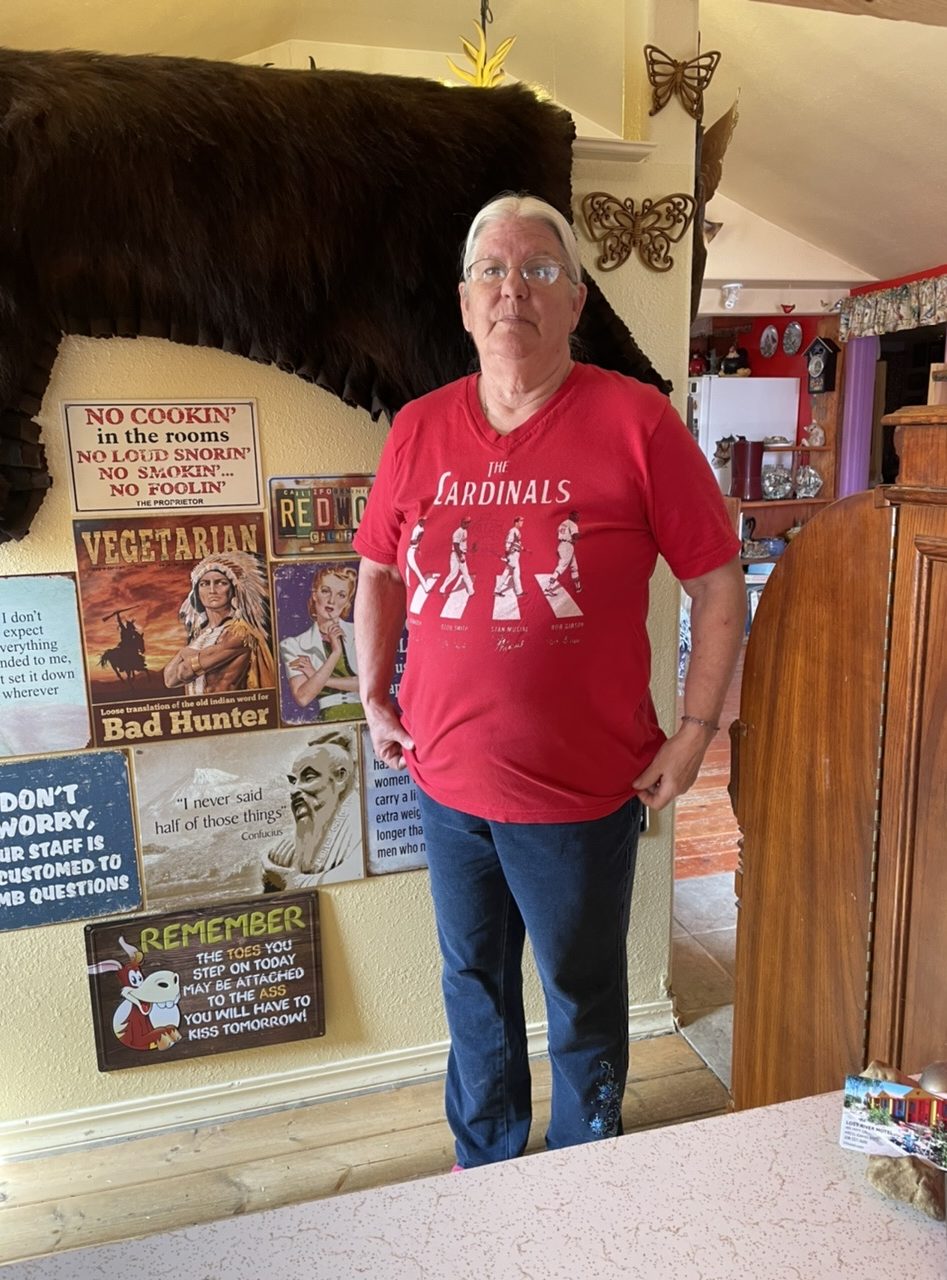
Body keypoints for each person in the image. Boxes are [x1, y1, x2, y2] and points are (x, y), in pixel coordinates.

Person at [353, 193, 744, 1170]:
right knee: (471, 984)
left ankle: (585, 1171)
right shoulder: (419, 428)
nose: (511, 290)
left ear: (574, 300)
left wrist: (696, 729)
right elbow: (379, 570)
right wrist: (372, 695)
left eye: (537, 270)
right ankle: (484, 1160)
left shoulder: (636, 421)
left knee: (580, 993)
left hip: (578, 794)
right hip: (445, 781)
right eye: (491, 270)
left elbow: (716, 581)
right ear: (463, 303)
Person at [261, 728, 361, 891]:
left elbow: (354, 877)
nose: (294, 790)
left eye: (308, 777)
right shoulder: (287, 847)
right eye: (293, 781)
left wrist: (289, 881)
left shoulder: (365, 828)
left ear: (340, 777)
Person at [163, 551, 274, 694]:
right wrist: (184, 653)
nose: (212, 590)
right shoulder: (199, 634)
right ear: (197, 592)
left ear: (233, 589)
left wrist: (185, 654)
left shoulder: (240, 633)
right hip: (197, 707)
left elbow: (185, 672)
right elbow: (169, 680)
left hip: (229, 706)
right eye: (204, 584)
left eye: (221, 583)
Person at [279, 565, 362, 720]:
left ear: (347, 602)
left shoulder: (360, 632)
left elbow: (368, 684)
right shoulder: (292, 645)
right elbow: (303, 698)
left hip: (365, 714)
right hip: (328, 717)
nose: (332, 601)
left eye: (341, 595)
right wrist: (335, 653)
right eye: (325, 591)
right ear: (315, 594)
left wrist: (315, 677)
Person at [439, 517, 474, 595]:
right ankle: (442, 588)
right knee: (453, 574)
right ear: (462, 523)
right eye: (466, 522)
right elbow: (455, 545)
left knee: (465, 573)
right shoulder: (457, 532)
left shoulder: (465, 531)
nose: (467, 524)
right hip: (456, 555)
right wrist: (460, 556)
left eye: (468, 523)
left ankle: (471, 591)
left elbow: (462, 545)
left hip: (461, 554)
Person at [495, 516, 525, 597]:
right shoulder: (513, 530)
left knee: (509, 572)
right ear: (516, 522)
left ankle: (497, 590)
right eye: (520, 521)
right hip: (513, 555)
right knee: (514, 573)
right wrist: (507, 554)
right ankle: (519, 592)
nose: (522, 523)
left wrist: (521, 547)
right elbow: (508, 542)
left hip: (515, 554)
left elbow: (516, 542)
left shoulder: (517, 531)